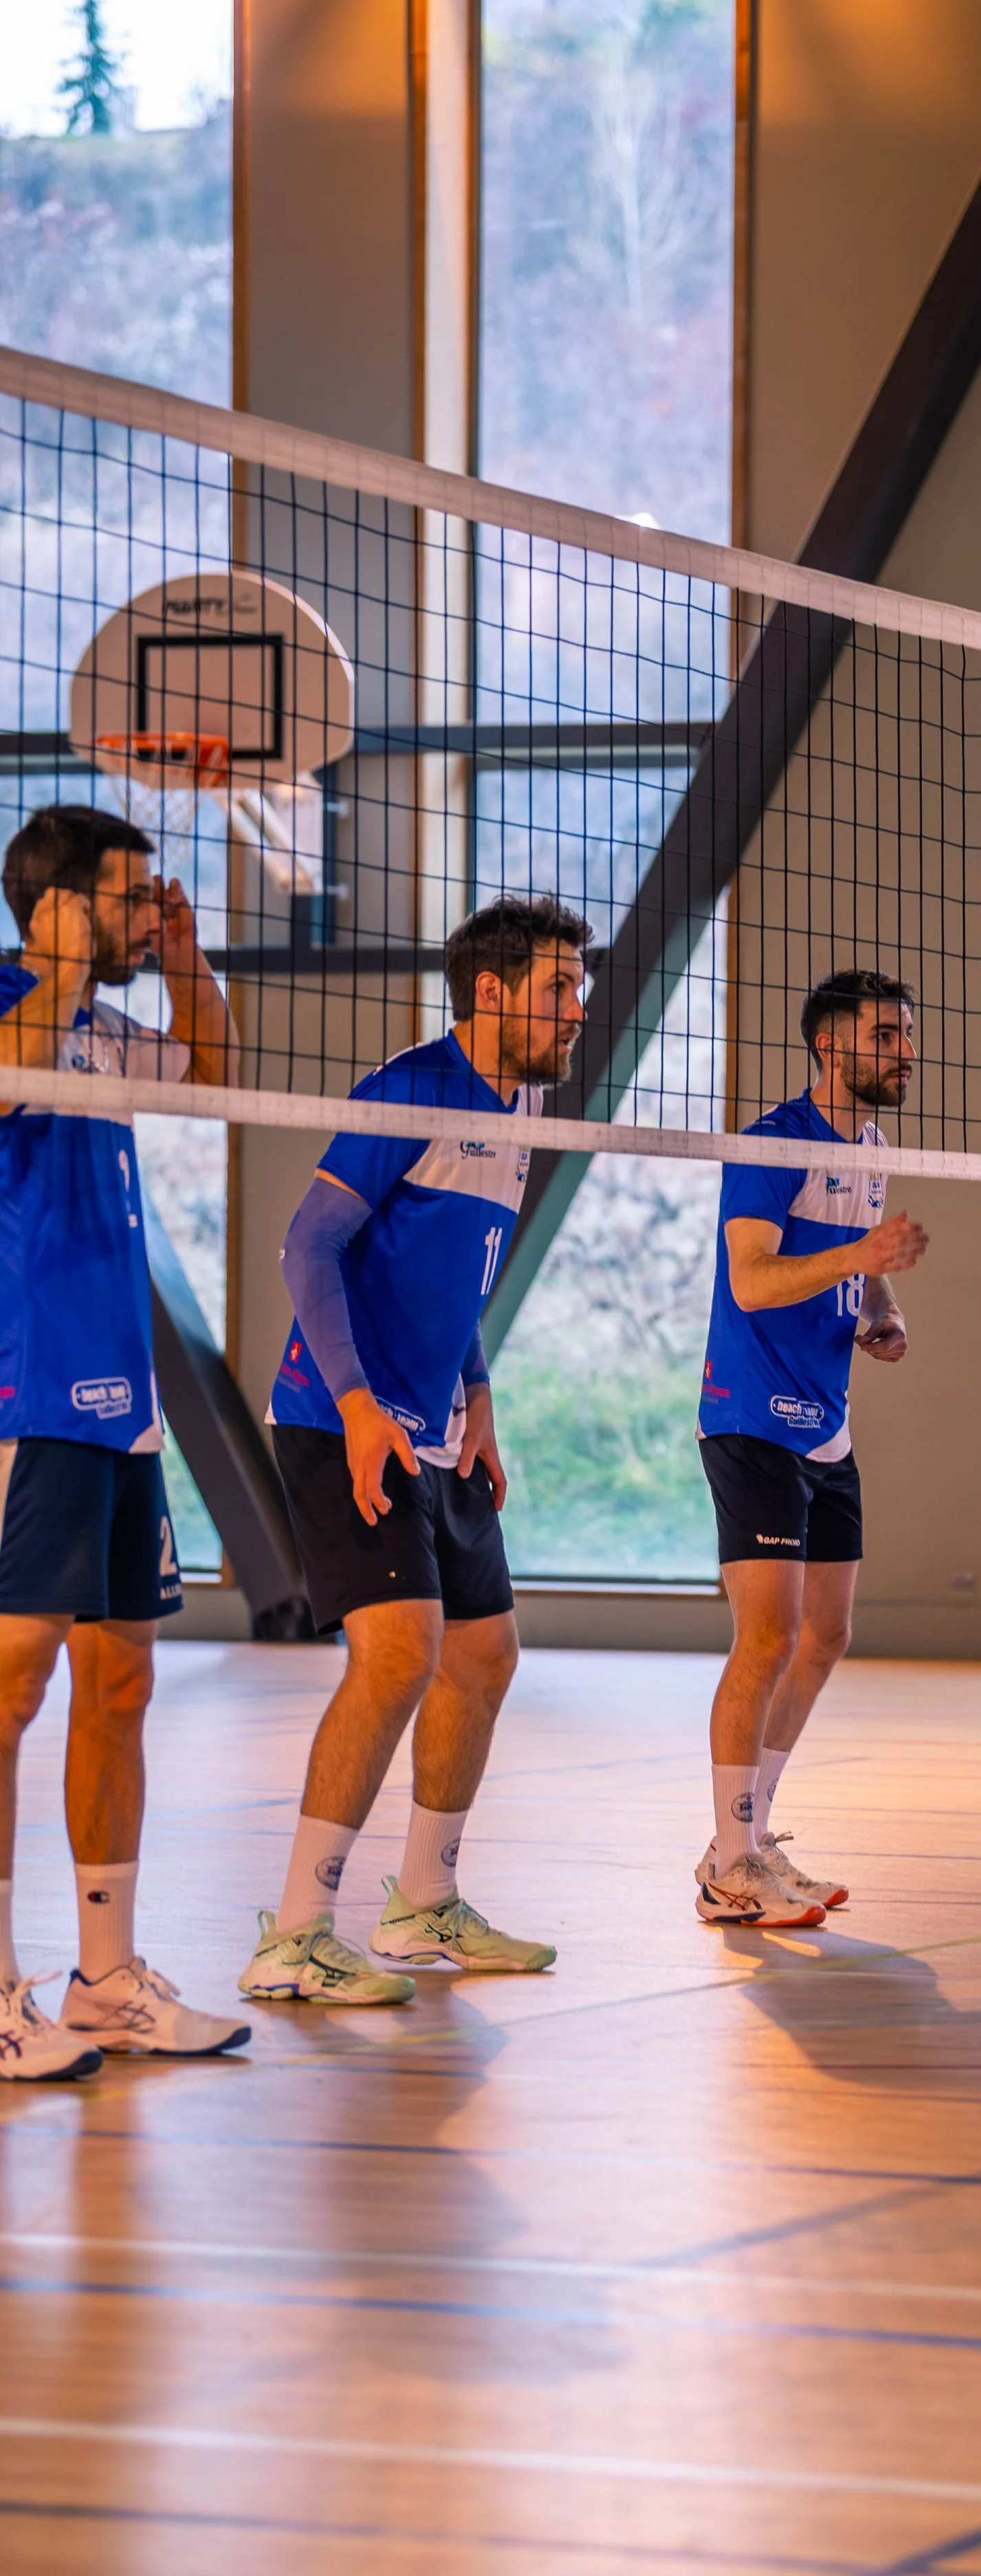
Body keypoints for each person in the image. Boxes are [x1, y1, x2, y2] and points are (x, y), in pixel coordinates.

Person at [238, 893, 591, 2007]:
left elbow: (456, 1277)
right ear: (490, 994)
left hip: (437, 1428)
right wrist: (356, 1407)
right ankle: (294, 1935)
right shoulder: (409, 1092)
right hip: (342, 1420)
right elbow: (308, 1247)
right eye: (558, 988)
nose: (577, 1009)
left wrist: (477, 1392)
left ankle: (424, 1901)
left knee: (484, 1659)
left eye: (578, 988)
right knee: (397, 1655)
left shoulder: (524, 1108)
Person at [0, 803, 248, 2078]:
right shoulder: (19, 1006)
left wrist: (188, 953)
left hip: (121, 1405)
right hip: (23, 1400)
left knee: (122, 1682)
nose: (150, 909)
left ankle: (104, 1980)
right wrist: (54, 955)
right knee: (12, 1683)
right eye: (132, 892)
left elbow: (208, 1075)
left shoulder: (98, 1028)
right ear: (56, 906)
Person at [694, 968, 929, 1928]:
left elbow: (855, 1271)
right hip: (751, 1416)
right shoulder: (772, 1144)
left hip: (826, 1424)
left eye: (908, 1035)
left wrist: (883, 1309)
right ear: (830, 1047)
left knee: (826, 1638)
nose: (905, 1051)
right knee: (768, 1639)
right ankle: (726, 1866)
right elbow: (752, 1281)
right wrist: (859, 1263)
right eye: (886, 1036)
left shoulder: (872, 1149)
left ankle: (743, 1845)